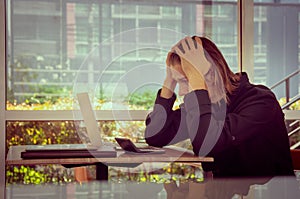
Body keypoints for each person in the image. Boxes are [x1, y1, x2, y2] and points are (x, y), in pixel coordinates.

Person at [144, 36, 295, 177]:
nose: (182, 92)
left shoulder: (261, 102)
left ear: (209, 74)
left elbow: (207, 145)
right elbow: (155, 136)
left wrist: (196, 78)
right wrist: (169, 82)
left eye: (184, 81)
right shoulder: (207, 106)